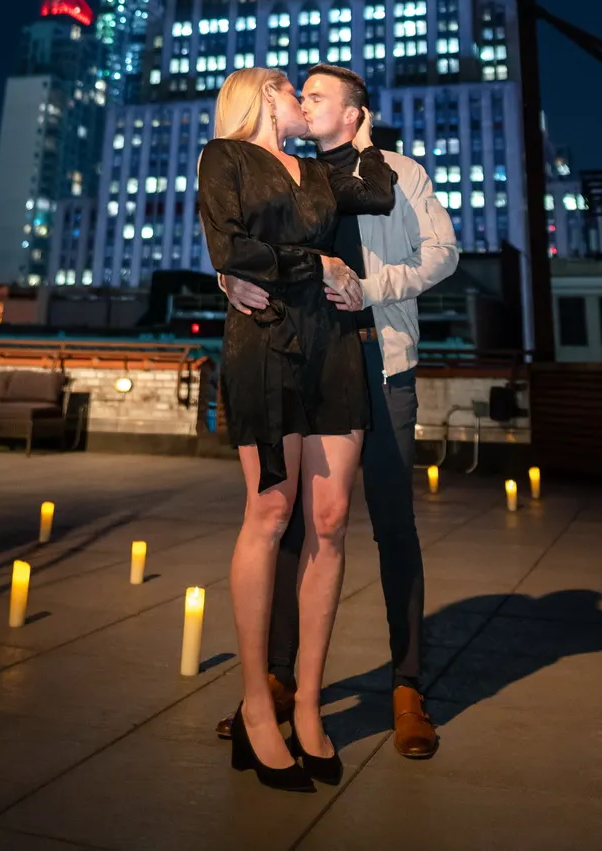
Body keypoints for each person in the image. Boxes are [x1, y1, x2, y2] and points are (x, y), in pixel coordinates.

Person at [216, 63, 458, 760]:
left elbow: (442, 254)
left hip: (381, 363)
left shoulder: (398, 172)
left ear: (354, 112)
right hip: (306, 366)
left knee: (391, 524)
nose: (306, 100)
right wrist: (229, 276)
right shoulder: (290, 173)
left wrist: (371, 285)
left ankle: (407, 686)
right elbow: (247, 243)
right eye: (302, 93)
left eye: (319, 94)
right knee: (291, 524)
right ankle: (279, 681)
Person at [197, 66, 398, 793]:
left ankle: (308, 703)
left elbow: (376, 190)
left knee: (333, 518)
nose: (299, 98)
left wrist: (366, 133)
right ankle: (258, 705)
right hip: (265, 338)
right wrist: (318, 261)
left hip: (334, 344)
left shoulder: (317, 170)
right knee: (271, 509)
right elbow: (232, 250)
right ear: (262, 96)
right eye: (290, 87)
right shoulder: (223, 156)